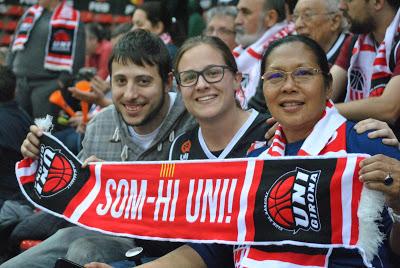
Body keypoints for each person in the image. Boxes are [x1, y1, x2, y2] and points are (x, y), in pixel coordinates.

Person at [95, 35, 400, 268]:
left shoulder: (365, 145)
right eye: (276, 76)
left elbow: (392, 249)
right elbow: (213, 248)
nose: (289, 86)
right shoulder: (255, 161)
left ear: (328, 83)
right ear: (263, 88)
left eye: (303, 74)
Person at [1, 29, 197, 268]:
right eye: (120, 81)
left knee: (84, 250)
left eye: (143, 81)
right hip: (99, 231)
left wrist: (118, 183)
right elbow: (76, 208)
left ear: (168, 82)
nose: (130, 94)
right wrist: (43, 162)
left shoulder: (195, 121)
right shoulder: (100, 123)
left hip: (168, 246)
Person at [6, 0, 85, 121]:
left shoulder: (73, 18)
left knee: (42, 132)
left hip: (47, 86)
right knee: (17, 129)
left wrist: (61, 82)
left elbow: (78, 55)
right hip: (20, 84)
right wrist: (8, 71)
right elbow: (14, 45)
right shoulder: (31, 13)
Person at [331, 0, 400, 127]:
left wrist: (323, 112)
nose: (341, 6)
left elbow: (389, 108)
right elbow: (326, 90)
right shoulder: (355, 42)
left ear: (378, 2)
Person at [233, 0, 294, 108]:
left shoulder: (286, 51)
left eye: (245, 12)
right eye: (238, 12)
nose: (237, 20)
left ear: (270, 18)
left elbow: (260, 110)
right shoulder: (241, 52)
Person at [294, 0, 348, 66]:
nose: (297, 25)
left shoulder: (353, 56)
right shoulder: (294, 53)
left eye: (307, 15)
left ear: (334, 22)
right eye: (296, 16)